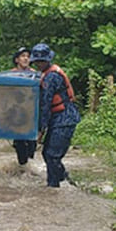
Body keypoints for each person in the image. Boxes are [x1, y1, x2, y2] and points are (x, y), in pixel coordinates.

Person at [30, 43, 81, 187]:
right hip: (58, 117)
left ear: (48, 60)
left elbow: (45, 104)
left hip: (64, 118)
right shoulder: (46, 74)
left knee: (52, 155)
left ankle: (54, 186)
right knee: (48, 154)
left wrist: (40, 129)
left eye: (41, 61)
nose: (39, 64)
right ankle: (65, 181)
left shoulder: (51, 77)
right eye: (37, 62)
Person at [10, 46, 38, 166]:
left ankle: (29, 169)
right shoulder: (10, 75)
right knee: (20, 143)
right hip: (17, 113)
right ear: (17, 60)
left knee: (32, 143)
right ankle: (23, 166)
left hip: (31, 113)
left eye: (28, 56)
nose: (26, 59)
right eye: (23, 56)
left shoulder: (35, 75)